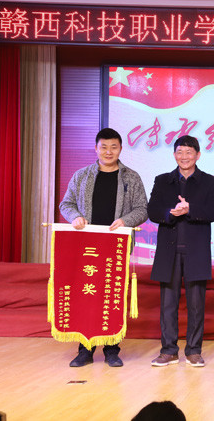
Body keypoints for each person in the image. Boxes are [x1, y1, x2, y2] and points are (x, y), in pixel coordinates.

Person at [59, 127, 148, 367]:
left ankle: (112, 349)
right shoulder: (81, 176)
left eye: (113, 147)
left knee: (112, 296)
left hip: (115, 246)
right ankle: (85, 350)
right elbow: (66, 204)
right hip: (85, 247)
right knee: (85, 295)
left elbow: (142, 209)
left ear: (121, 149)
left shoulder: (131, 177)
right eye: (104, 147)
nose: (109, 152)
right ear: (96, 149)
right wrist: (75, 217)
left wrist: (126, 221)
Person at [147, 135, 214, 368]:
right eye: (180, 152)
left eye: (189, 152)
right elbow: (153, 211)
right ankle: (168, 351)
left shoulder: (210, 182)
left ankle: (194, 351)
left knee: (196, 305)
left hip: (196, 251)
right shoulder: (162, 180)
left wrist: (190, 210)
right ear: (174, 155)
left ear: (198, 155)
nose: (184, 156)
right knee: (168, 304)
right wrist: (171, 213)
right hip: (169, 251)